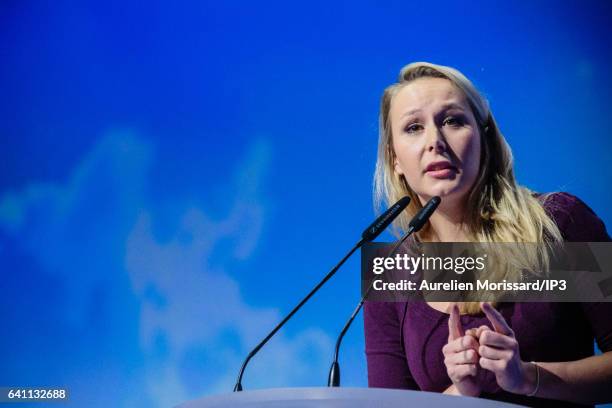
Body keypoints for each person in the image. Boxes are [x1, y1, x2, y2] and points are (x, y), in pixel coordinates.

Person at [363, 61, 612, 407]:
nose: (435, 141)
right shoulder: (392, 272)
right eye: (414, 127)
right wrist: (461, 392)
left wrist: (527, 377)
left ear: (485, 138)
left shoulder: (560, 224)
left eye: (452, 120)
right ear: (395, 161)